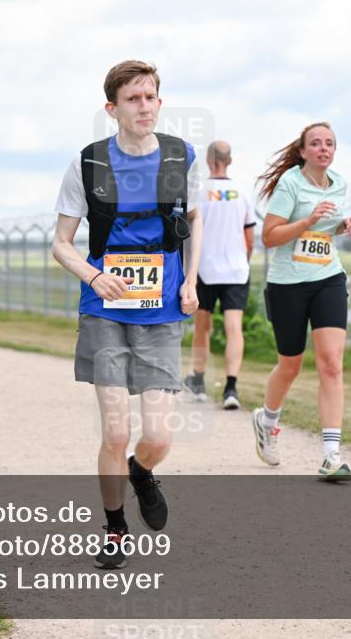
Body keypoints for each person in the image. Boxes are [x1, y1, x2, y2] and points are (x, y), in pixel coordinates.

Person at [51, 60, 203, 570]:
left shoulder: (181, 157)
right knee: (115, 432)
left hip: (161, 310)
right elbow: (61, 243)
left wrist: (191, 279)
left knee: (157, 437)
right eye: (133, 99)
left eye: (150, 97)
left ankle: (141, 471)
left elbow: (195, 220)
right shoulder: (88, 163)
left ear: (160, 102)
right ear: (112, 108)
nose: (144, 106)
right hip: (105, 309)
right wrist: (93, 276)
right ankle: (115, 527)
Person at [250, 122, 351, 481]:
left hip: (328, 277)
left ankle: (331, 455)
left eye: (329, 143)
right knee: (290, 366)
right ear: (303, 151)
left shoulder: (338, 183)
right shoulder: (291, 184)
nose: (324, 149)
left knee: (331, 363)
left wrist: (344, 226)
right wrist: (308, 219)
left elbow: (326, 229)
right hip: (288, 284)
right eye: (316, 143)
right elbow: (270, 236)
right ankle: (267, 421)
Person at [183, 140, 256, 410]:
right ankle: (231, 388)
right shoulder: (243, 192)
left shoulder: (199, 191)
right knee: (234, 328)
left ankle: (199, 381)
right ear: (230, 160)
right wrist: (243, 260)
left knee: (202, 326)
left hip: (204, 268)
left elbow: (189, 232)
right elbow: (250, 238)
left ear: (208, 160)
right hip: (236, 270)